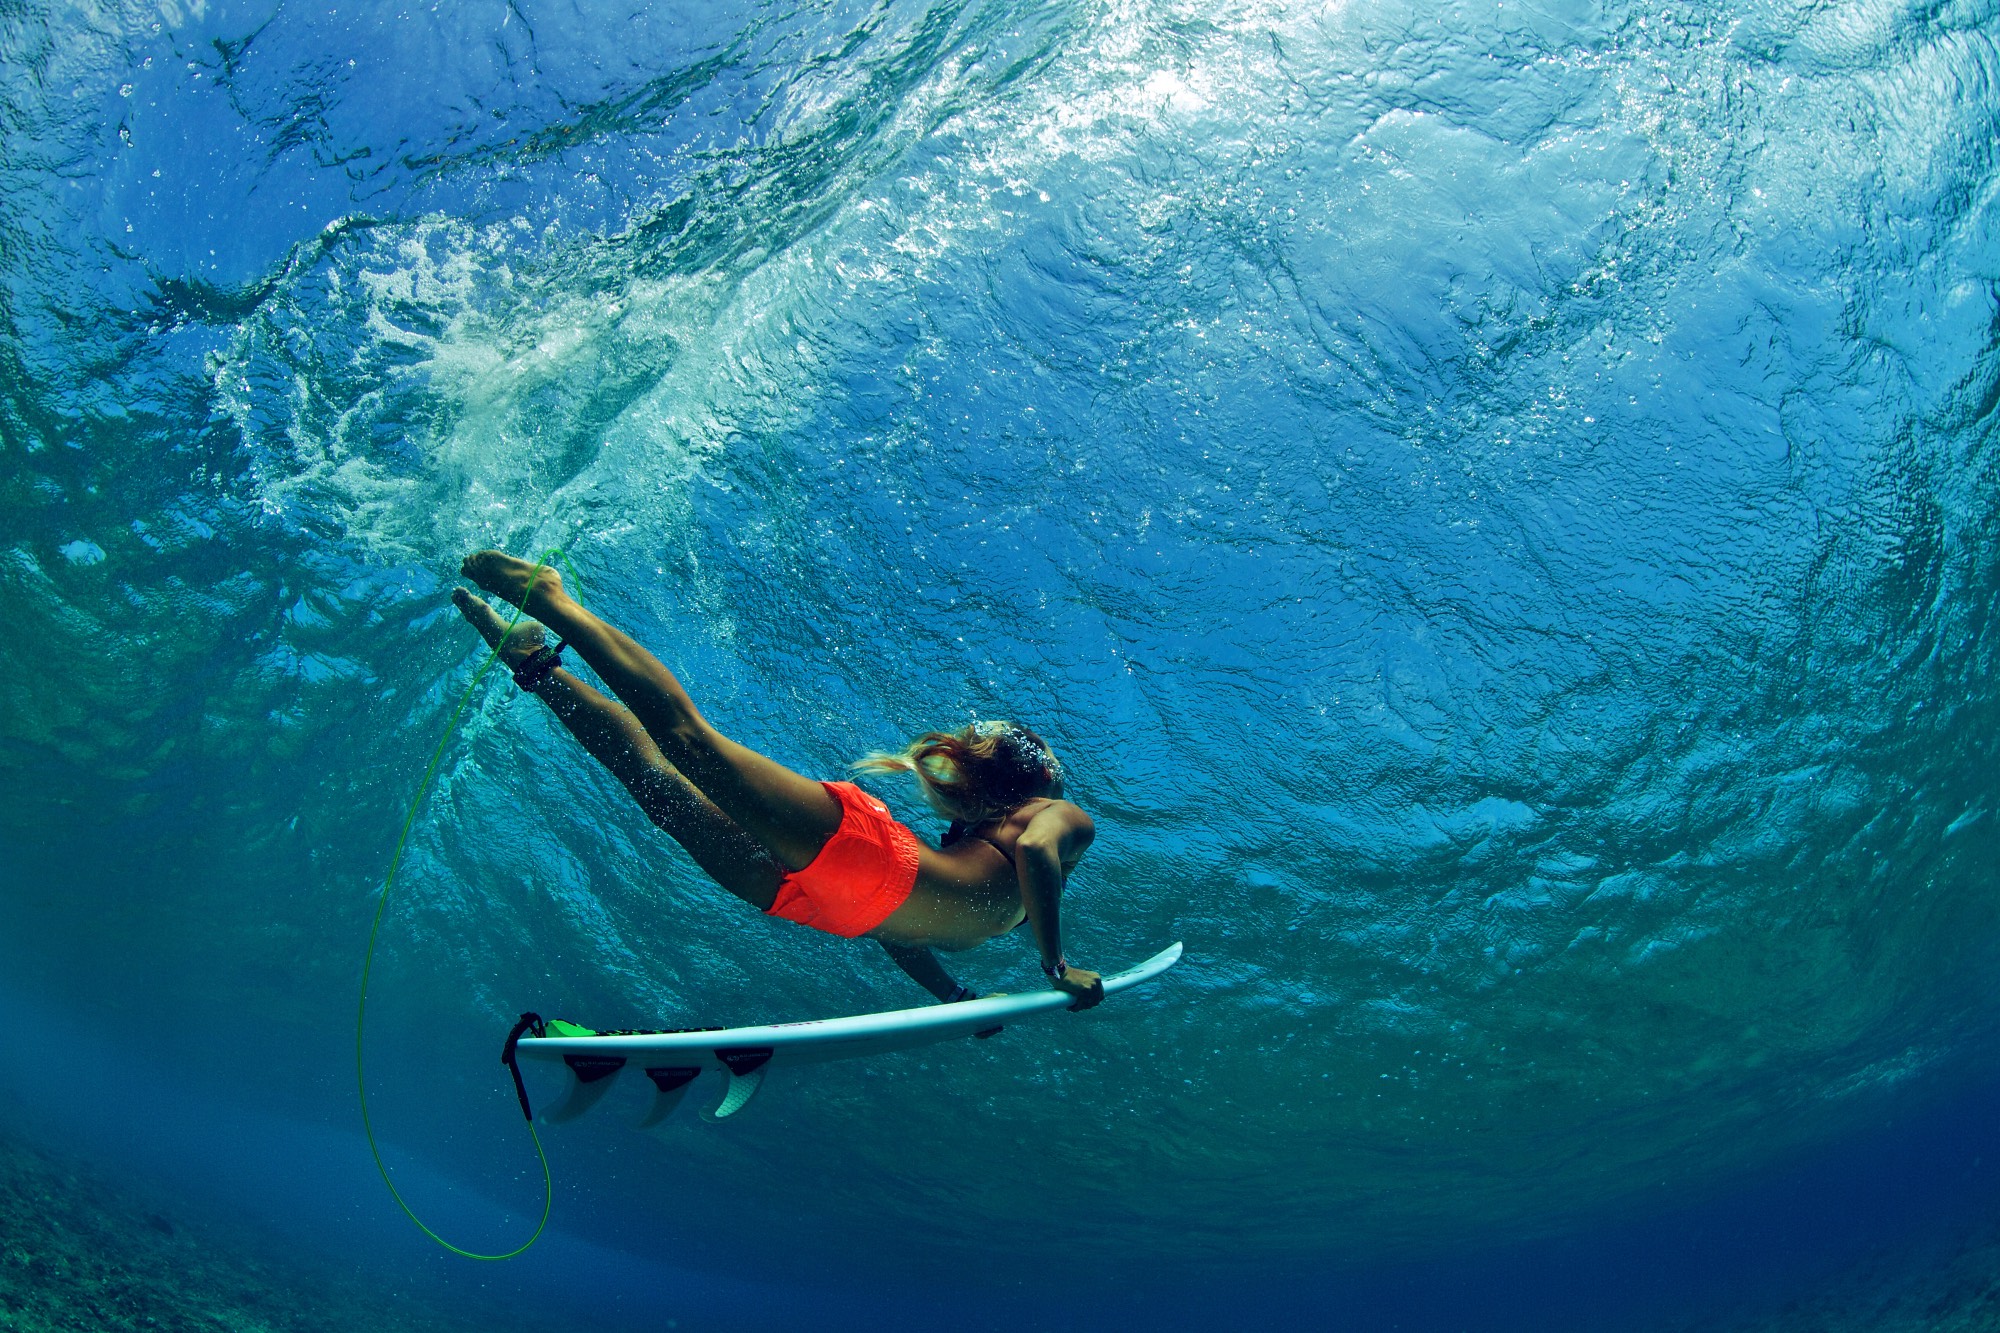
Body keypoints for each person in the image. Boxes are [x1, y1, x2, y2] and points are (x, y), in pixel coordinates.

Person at [451, 550, 1104, 1011]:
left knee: (655, 785)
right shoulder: (1062, 819)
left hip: (833, 905)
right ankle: (552, 599)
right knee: (688, 745)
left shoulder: (984, 853)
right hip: (869, 867)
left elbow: (900, 931)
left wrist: (955, 999)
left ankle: (533, 664)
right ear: (1039, 781)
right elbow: (1038, 850)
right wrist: (1055, 966)